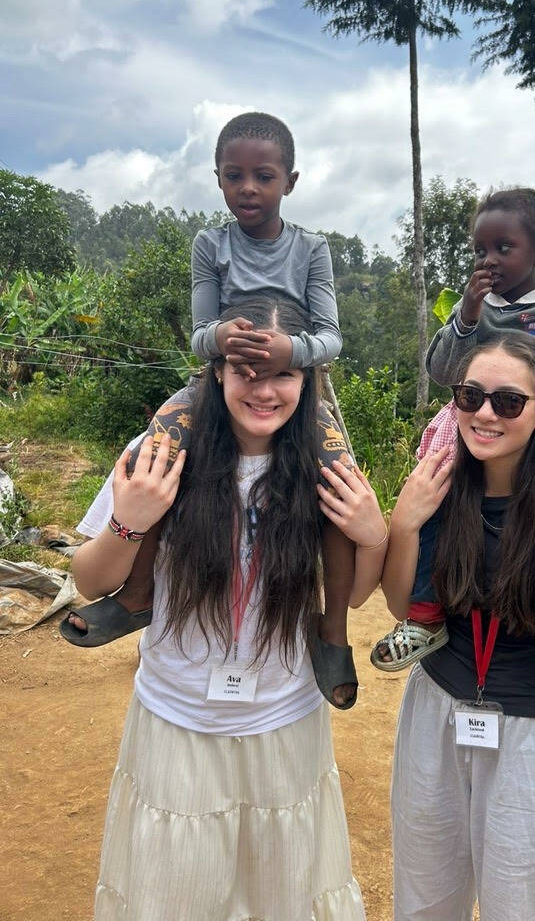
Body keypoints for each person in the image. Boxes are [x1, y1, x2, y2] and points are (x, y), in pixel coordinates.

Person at [70, 296, 385, 921]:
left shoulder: (324, 467)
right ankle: (137, 603)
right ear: (216, 371)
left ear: (306, 378)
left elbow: (352, 594)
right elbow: (86, 580)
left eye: (282, 374)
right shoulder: (158, 453)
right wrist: (130, 524)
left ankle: (331, 643)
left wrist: (373, 536)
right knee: (176, 892)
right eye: (245, 371)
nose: (263, 390)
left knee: (283, 892)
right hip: (177, 718)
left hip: (284, 720)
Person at [62, 111, 359, 708]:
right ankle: (137, 594)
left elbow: (331, 338)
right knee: (160, 449)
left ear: (290, 182)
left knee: (337, 485)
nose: (248, 188)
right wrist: (221, 338)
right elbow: (200, 335)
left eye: (264, 176)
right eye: (234, 175)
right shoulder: (210, 244)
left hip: (294, 388)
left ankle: (332, 631)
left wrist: (289, 352)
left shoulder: (311, 249)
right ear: (218, 179)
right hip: (220, 381)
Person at [368, 335, 535, 920]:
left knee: (522, 904)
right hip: (436, 713)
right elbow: (400, 605)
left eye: (509, 402)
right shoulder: (438, 482)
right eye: (470, 396)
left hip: (531, 731)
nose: (485, 414)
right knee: (425, 898)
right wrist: (405, 524)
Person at [371, 171, 535, 685]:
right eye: (481, 250)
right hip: (468, 421)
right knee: (434, 495)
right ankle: (424, 614)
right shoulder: (476, 311)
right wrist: (466, 316)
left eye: (504, 248)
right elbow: (443, 371)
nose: (490, 260)